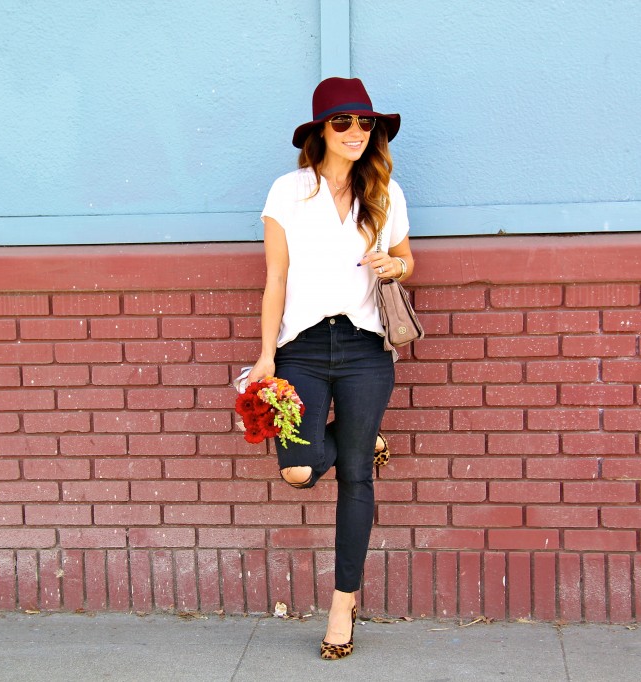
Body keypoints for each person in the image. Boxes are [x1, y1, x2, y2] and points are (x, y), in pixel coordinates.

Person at [244, 77, 414, 660]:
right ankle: (356, 441)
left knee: (356, 479)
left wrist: (393, 264)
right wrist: (267, 355)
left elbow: (407, 260)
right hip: (304, 349)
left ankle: (343, 607)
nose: (355, 133)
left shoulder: (386, 193)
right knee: (297, 469)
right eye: (342, 123)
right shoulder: (287, 192)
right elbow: (276, 279)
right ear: (319, 131)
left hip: (366, 347)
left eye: (365, 123)